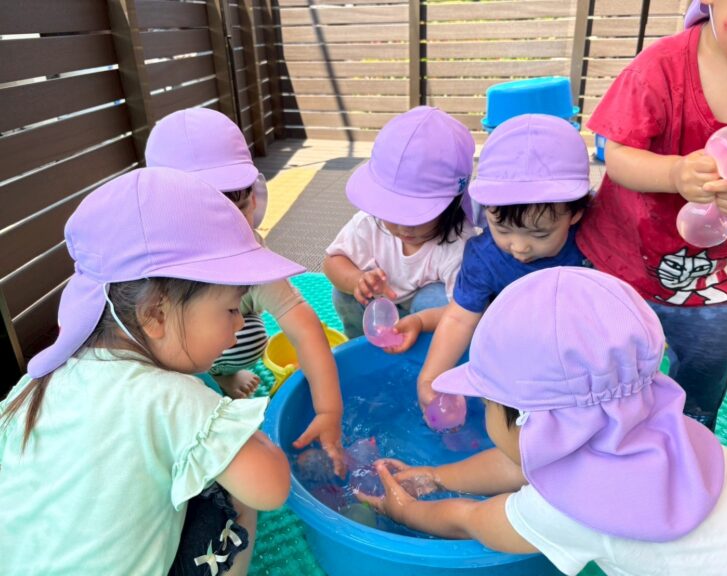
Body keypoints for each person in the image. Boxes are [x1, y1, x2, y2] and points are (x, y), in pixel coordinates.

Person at [358, 267, 727, 576]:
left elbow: (473, 520)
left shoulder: (573, 509)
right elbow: (518, 463)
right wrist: (436, 475)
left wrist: (407, 512)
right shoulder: (660, 431)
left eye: (486, 404)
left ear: (525, 420)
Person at [0, 168, 295, 575]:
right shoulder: (170, 397)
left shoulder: (32, 386)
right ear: (155, 313)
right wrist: (243, 434)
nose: (240, 324)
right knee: (230, 494)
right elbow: (271, 488)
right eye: (231, 308)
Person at [577, 0, 727, 431]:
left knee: (705, 370)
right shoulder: (659, 68)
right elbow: (618, 155)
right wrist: (674, 172)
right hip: (622, 265)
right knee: (603, 366)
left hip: (714, 281)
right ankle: (600, 432)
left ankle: (688, 436)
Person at [146, 108, 344, 473]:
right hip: (174, 365)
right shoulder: (149, 259)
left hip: (221, 346)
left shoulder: (248, 254)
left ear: (253, 200)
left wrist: (328, 410)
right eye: (201, 217)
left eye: (234, 209)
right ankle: (209, 379)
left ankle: (222, 371)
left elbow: (301, 324)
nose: (222, 231)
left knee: (248, 336)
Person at [417, 114, 590, 411]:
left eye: (540, 233)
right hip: (512, 344)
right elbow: (459, 318)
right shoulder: (484, 257)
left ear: (576, 214)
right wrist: (431, 378)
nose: (520, 247)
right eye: (503, 230)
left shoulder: (592, 243)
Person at [323, 106, 476, 351]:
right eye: (392, 210)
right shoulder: (370, 222)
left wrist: (419, 321)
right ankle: (359, 346)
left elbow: (465, 310)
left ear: (450, 205)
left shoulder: (459, 243)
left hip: (425, 315)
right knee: (344, 293)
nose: (403, 226)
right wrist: (356, 281)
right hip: (376, 308)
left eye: (416, 214)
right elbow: (332, 261)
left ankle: (424, 350)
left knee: (433, 298)